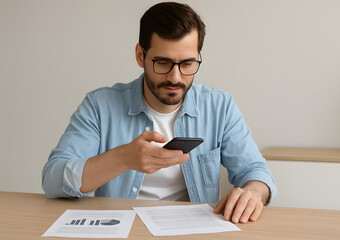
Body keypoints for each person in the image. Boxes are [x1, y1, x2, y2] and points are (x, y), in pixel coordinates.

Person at [42, 2, 277, 224]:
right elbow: (53, 180)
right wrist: (123, 158)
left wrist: (253, 192)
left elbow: (255, 171)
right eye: (163, 63)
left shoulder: (220, 106)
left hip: (193, 230)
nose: (175, 77)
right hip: (122, 228)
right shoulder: (99, 106)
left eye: (187, 64)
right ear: (140, 55)